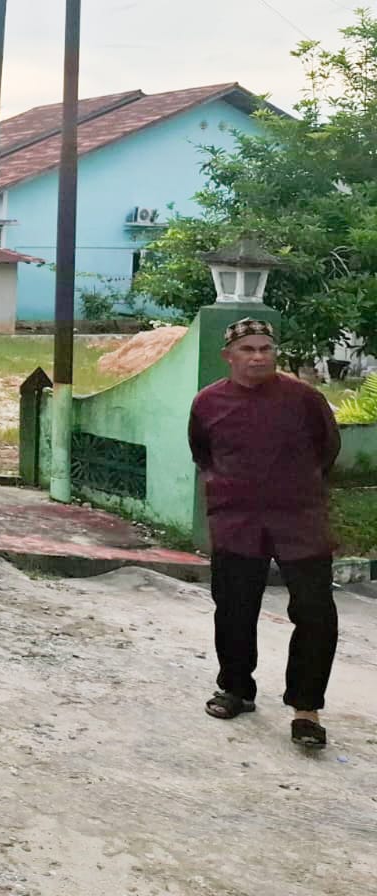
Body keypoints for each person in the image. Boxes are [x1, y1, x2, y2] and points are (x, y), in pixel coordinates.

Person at [188, 318, 341, 750]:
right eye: (248, 349)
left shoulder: (304, 399)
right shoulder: (208, 403)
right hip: (237, 521)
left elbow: (327, 447)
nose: (258, 356)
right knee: (234, 608)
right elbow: (203, 452)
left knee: (315, 612)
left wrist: (295, 487)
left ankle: (306, 709)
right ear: (229, 356)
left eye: (266, 349)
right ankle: (236, 689)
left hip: (300, 521)